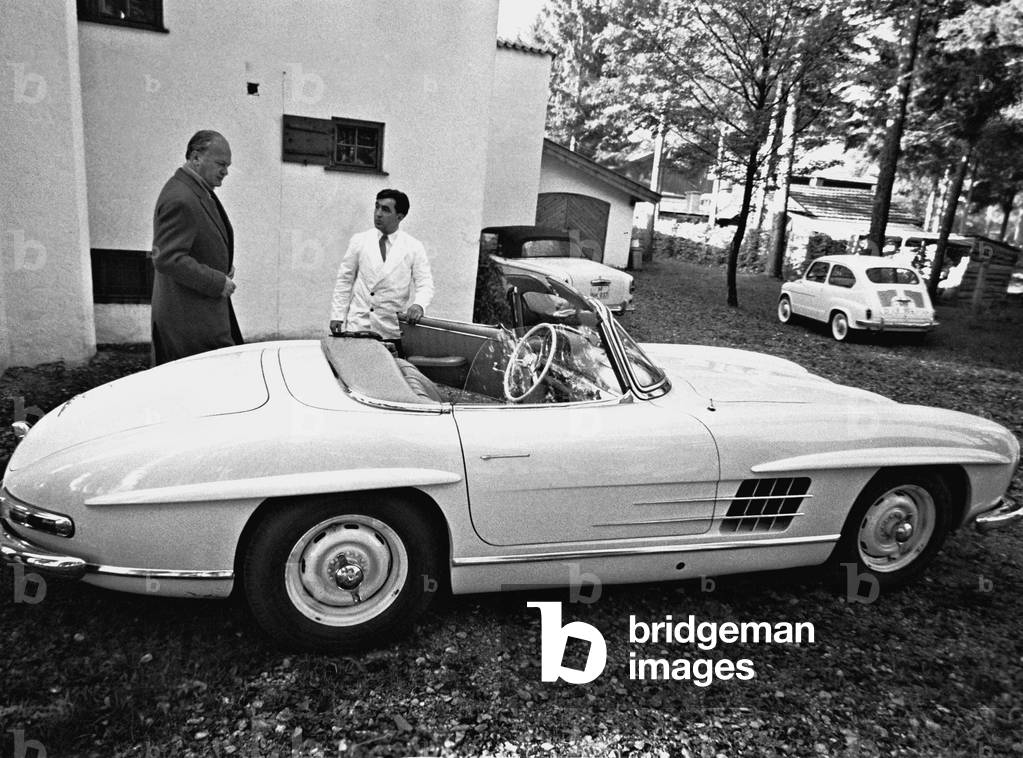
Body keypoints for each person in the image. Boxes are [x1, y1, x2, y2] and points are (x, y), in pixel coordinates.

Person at [150, 130, 243, 365]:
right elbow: (167, 258)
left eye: (228, 165)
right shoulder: (180, 197)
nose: (226, 171)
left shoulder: (196, 191)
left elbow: (197, 242)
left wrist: (221, 266)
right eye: (221, 163)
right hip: (190, 324)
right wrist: (216, 281)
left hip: (201, 316)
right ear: (195, 157)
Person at [329, 188, 434, 352]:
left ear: (400, 216)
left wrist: (419, 305)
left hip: (390, 329)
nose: (378, 213)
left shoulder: (413, 247)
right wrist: (337, 315)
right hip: (358, 326)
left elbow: (425, 283)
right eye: (376, 207)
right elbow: (345, 280)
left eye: (385, 210)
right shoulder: (360, 241)